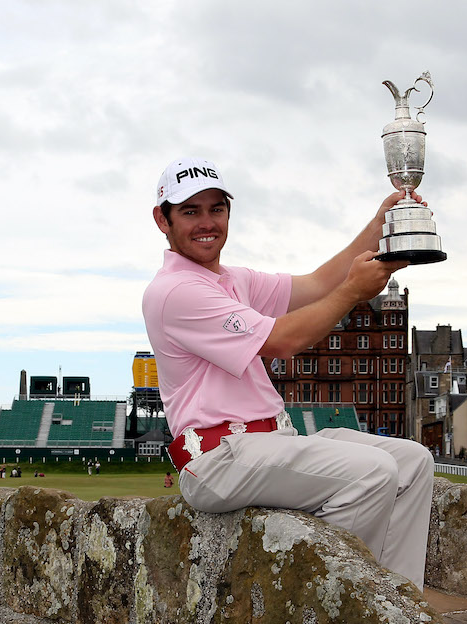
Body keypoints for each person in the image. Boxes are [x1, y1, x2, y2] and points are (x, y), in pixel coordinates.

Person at [141, 157, 433, 587]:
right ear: (162, 220)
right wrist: (354, 291)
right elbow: (282, 340)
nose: (207, 222)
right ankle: (332, 609)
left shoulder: (231, 279)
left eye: (216, 209)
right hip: (218, 457)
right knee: (373, 472)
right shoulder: (175, 291)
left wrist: (378, 227)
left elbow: (317, 284)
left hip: (268, 442)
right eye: (190, 211)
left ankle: (400, 603)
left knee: (412, 461)